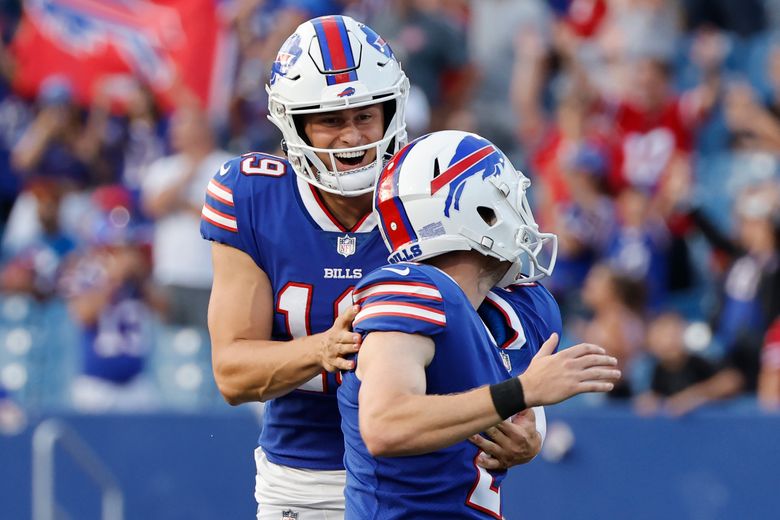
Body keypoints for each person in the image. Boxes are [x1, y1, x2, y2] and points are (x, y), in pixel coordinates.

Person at [202, 15, 547, 519]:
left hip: (422, 473)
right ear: (293, 123)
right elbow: (232, 373)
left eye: (366, 116)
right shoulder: (252, 195)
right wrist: (324, 347)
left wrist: (532, 421)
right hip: (304, 481)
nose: (352, 137)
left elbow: (504, 316)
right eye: (331, 120)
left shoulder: (429, 188)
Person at [337, 130, 620, 517]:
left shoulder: (525, 306)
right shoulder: (414, 290)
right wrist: (521, 391)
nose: (523, 210)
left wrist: (530, 440)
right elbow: (385, 426)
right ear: (480, 213)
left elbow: (517, 415)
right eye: (506, 196)